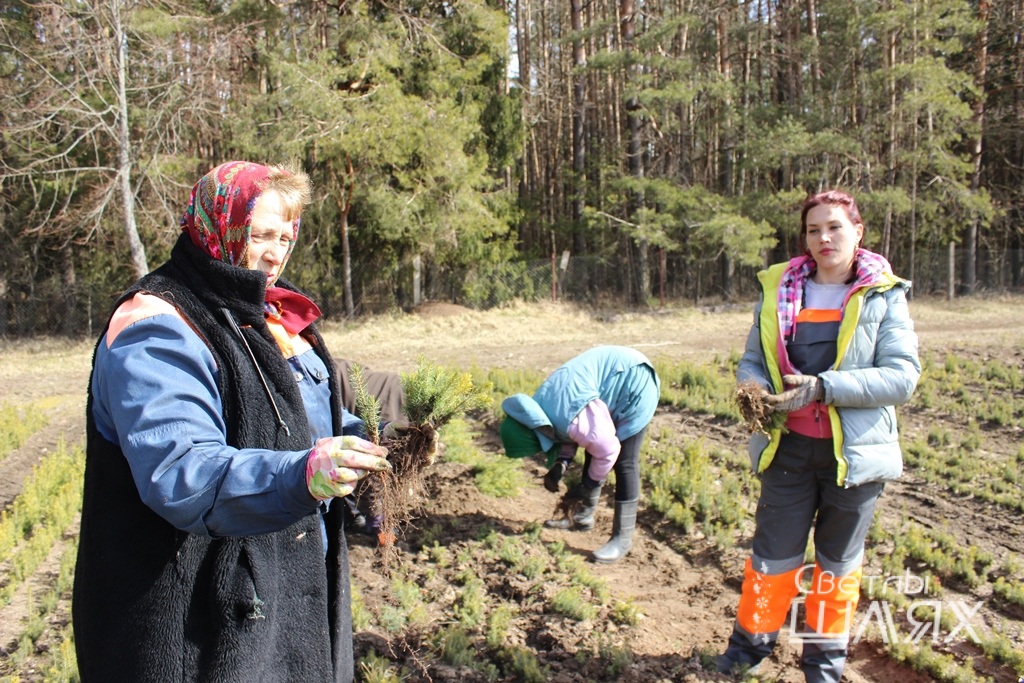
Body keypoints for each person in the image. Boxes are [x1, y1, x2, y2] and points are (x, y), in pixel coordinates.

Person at [73, 161, 396, 683]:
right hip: (193, 618)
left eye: (286, 236)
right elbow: (182, 471)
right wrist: (301, 475)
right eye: (261, 234)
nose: (276, 251)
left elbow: (305, 417)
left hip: (275, 587)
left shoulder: (268, 313)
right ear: (216, 225)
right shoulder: (157, 325)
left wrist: (370, 441)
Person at [716, 190, 920, 682]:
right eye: (813, 229)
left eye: (834, 227)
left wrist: (823, 388)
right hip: (788, 451)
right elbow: (754, 358)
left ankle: (822, 664)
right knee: (772, 559)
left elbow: (902, 377)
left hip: (852, 458)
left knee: (836, 569)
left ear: (858, 232)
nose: (823, 237)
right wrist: (753, 385)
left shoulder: (882, 294)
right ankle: (749, 650)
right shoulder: (780, 289)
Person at [499, 345, 660, 563]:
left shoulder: (570, 414)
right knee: (594, 447)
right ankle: (582, 517)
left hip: (634, 381)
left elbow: (604, 447)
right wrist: (561, 464)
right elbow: (566, 429)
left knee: (623, 461)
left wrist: (587, 486)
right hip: (613, 377)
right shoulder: (538, 407)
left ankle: (622, 540)